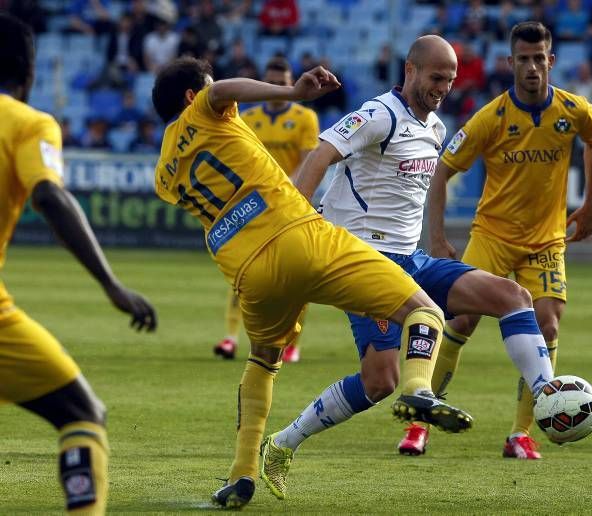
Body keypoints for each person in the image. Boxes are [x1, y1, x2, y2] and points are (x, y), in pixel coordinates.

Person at [150, 56, 472, 509]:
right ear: (191, 96)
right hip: (298, 235)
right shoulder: (207, 106)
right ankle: (418, 390)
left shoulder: (162, 174)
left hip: (247, 272)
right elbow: (221, 92)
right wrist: (292, 94)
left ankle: (240, 475)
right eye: (206, 88)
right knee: (426, 312)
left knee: (262, 362)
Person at [278, 32, 588, 489]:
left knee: (513, 296)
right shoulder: (378, 114)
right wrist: (297, 222)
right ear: (411, 71)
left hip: (412, 259)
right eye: (435, 76)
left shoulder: (436, 129)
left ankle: (546, 395)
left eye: (450, 79)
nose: (443, 87)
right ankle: (285, 442)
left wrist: (436, 239)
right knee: (381, 380)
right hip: (363, 261)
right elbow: (321, 153)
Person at [420, 21, 592, 459]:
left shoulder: (574, 110)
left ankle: (520, 433)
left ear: (551, 61)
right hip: (492, 235)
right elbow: (441, 171)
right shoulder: (489, 118)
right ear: (511, 63)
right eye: (523, 59)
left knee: (548, 323)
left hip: (546, 241)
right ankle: (421, 422)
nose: (532, 67)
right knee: (459, 322)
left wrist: (589, 205)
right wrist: (437, 239)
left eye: (539, 58)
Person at [0, 13, 157, 515]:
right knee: (81, 412)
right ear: (27, 74)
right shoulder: (28, 123)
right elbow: (48, 194)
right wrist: (112, 285)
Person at [213, 56, 320, 362]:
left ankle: (290, 342)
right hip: (255, 206)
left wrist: (282, 188)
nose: (275, 88)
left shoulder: (304, 118)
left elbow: (307, 161)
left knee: (298, 276)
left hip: (292, 203)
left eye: (281, 83)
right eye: (270, 83)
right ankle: (231, 338)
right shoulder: (249, 117)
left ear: (291, 84)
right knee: (243, 272)